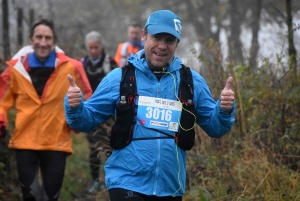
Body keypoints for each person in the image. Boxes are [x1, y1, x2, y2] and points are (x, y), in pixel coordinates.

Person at [64, 10, 235, 201]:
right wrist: (75, 106)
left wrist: (224, 110)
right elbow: (85, 120)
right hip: (125, 181)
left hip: (170, 186)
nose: (162, 46)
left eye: (169, 40)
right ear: (144, 36)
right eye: (157, 37)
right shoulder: (118, 78)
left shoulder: (191, 82)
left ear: (177, 44)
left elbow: (215, 128)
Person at [0, 19, 92, 201]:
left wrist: (77, 119)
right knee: (30, 196)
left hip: (57, 141)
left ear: (54, 40)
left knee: (50, 198)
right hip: (24, 141)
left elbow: (88, 99)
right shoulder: (15, 69)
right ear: (30, 39)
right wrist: (1, 121)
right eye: (38, 37)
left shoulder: (72, 67)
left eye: (47, 38)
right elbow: (1, 101)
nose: (43, 42)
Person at [81, 31, 117, 193]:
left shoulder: (110, 63)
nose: (93, 50)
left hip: (109, 115)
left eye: (96, 47)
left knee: (110, 148)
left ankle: (111, 181)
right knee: (93, 148)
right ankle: (95, 182)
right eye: (90, 48)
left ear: (101, 46)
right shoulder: (82, 64)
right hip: (90, 113)